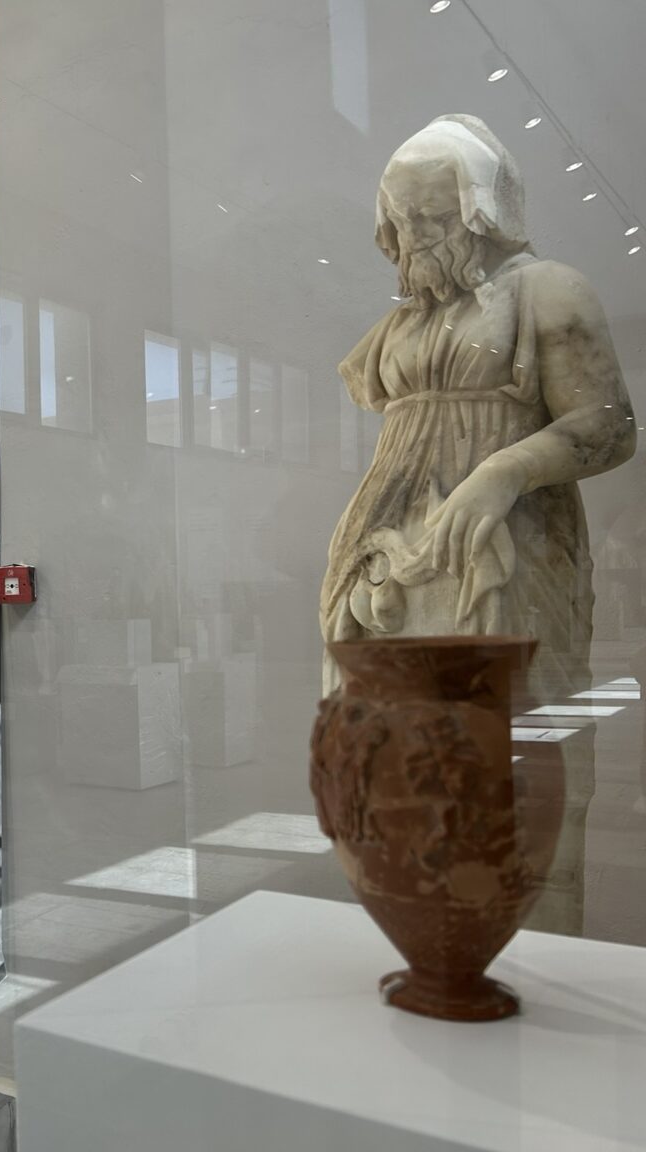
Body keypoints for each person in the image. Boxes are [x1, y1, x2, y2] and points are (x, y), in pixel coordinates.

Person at [321, 114, 635, 931]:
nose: (415, 236)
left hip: (505, 547)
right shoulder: (405, 323)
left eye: (435, 214)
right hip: (386, 553)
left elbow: (609, 426)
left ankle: (523, 941)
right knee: (398, 754)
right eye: (402, 219)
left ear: (483, 210)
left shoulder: (546, 291)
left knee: (508, 748)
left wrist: (502, 472)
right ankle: (428, 939)